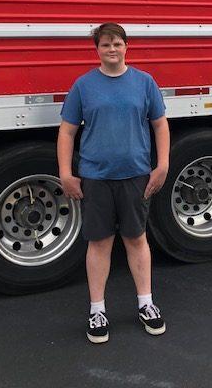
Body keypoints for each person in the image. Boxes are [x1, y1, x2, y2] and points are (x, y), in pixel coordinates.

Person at [57, 22, 170, 344]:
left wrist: (162, 166)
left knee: (136, 239)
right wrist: (66, 173)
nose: (112, 49)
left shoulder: (144, 83)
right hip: (96, 177)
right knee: (100, 242)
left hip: (135, 175)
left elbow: (160, 125)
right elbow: (67, 131)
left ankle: (146, 304)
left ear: (126, 46)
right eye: (105, 44)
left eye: (117, 43)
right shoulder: (83, 86)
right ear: (97, 49)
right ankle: (97, 310)